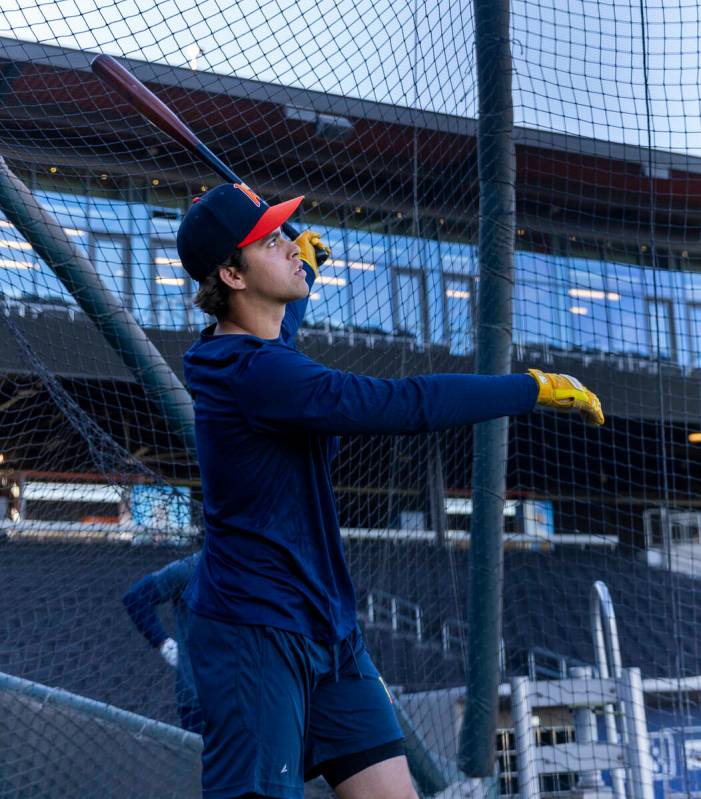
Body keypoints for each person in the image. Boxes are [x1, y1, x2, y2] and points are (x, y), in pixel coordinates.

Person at [175, 182, 604, 799]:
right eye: (273, 241)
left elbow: (278, 332)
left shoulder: (255, 349)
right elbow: (404, 402)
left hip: (330, 627)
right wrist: (529, 389)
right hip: (257, 634)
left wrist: (305, 276)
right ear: (232, 276)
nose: (293, 245)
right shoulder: (257, 376)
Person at [122, 552, 204, 734]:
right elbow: (136, 597)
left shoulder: (263, 570)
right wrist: (164, 644)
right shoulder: (192, 567)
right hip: (199, 701)